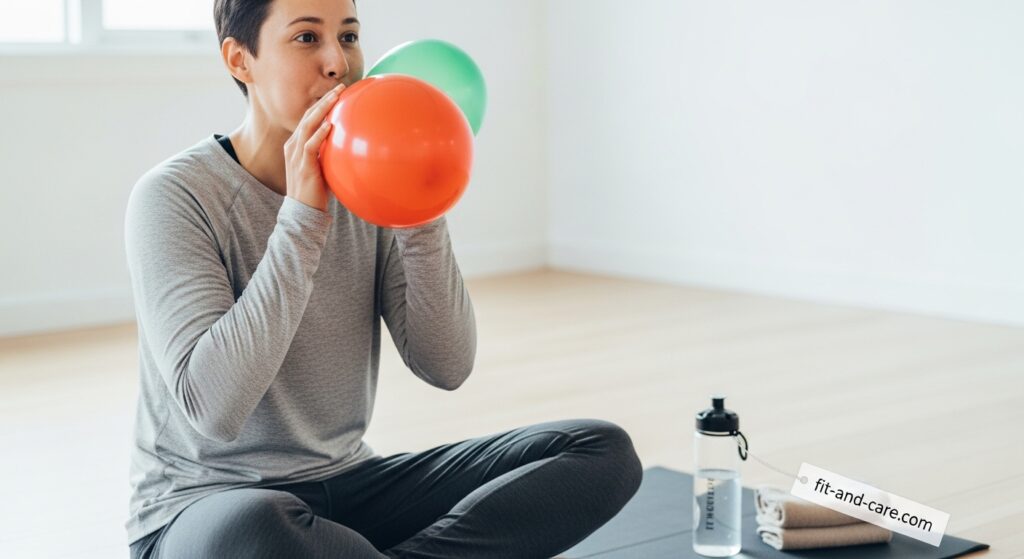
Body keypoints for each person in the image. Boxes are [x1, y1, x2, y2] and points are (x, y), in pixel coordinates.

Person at [123, 0, 643, 556]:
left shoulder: (370, 183)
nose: (337, 62)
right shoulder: (175, 197)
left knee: (600, 453)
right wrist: (302, 219)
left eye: (348, 36)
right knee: (259, 527)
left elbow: (445, 365)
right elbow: (214, 409)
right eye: (306, 38)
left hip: (351, 485)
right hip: (208, 509)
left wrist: (419, 212)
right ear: (240, 59)